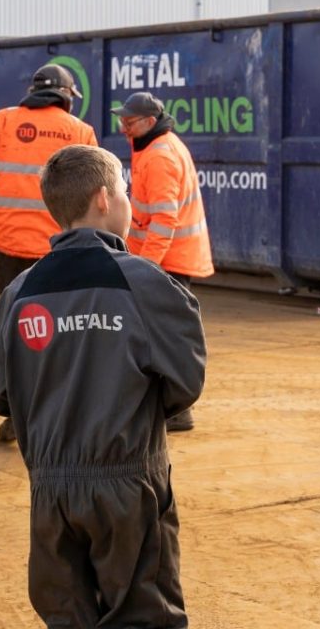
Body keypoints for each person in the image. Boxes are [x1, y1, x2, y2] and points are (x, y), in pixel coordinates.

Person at [0, 143, 206, 628]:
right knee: (145, 617)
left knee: (69, 617)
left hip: (50, 492)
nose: (128, 201)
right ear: (104, 199)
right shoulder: (144, 284)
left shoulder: (18, 294)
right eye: (125, 190)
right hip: (129, 485)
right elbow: (186, 382)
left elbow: (1, 394)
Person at [0, 63, 97, 441]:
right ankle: (69, 417)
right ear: (67, 96)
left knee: (18, 330)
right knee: (64, 330)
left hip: (11, 244)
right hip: (60, 248)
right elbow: (97, 189)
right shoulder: (79, 131)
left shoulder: (2, 121)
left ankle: (17, 416)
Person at [112, 91, 214, 432]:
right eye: (121, 121)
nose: (123, 128)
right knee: (162, 334)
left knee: (166, 336)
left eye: (129, 122)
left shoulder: (159, 156)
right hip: (168, 259)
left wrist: (146, 268)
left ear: (149, 122)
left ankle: (178, 409)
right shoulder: (154, 146)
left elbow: (163, 220)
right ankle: (170, 407)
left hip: (169, 261)